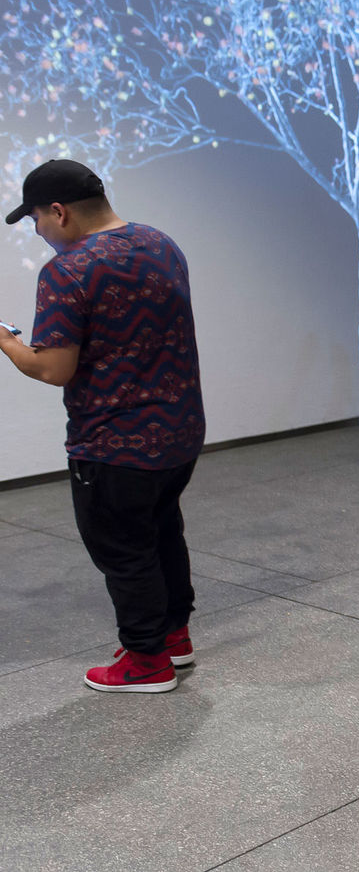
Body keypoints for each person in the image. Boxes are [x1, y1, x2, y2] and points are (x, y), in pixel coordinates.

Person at [1, 160, 205, 693]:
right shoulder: (162, 245)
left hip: (114, 443)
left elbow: (53, 368)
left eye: (36, 221)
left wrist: (5, 340)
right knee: (163, 530)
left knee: (123, 548)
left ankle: (145, 662)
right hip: (180, 431)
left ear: (59, 212)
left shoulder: (68, 271)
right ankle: (173, 637)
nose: (39, 232)